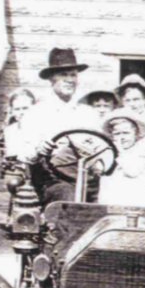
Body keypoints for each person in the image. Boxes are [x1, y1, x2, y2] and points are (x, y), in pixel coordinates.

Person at [13, 48, 101, 204]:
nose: (70, 80)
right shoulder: (35, 113)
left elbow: (101, 147)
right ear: (51, 79)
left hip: (88, 177)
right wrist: (38, 149)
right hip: (51, 180)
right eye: (63, 75)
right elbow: (24, 154)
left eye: (73, 75)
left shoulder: (89, 114)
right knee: (67, 195)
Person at [97, 109, 145, 206]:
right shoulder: (108, 153)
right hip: (110, 201)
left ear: (136, 134)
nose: (122, 137)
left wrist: (120, 152)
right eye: (117, 134)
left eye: (126, 133)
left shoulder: (141, 153)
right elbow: (100, 169)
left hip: (134, 203)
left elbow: (132, 171)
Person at [0, 88, 36, 159]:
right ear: (12, 111)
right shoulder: (10, 131)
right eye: (17, 109)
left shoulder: (44, 130)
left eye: (25, 108)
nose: (21, 112)